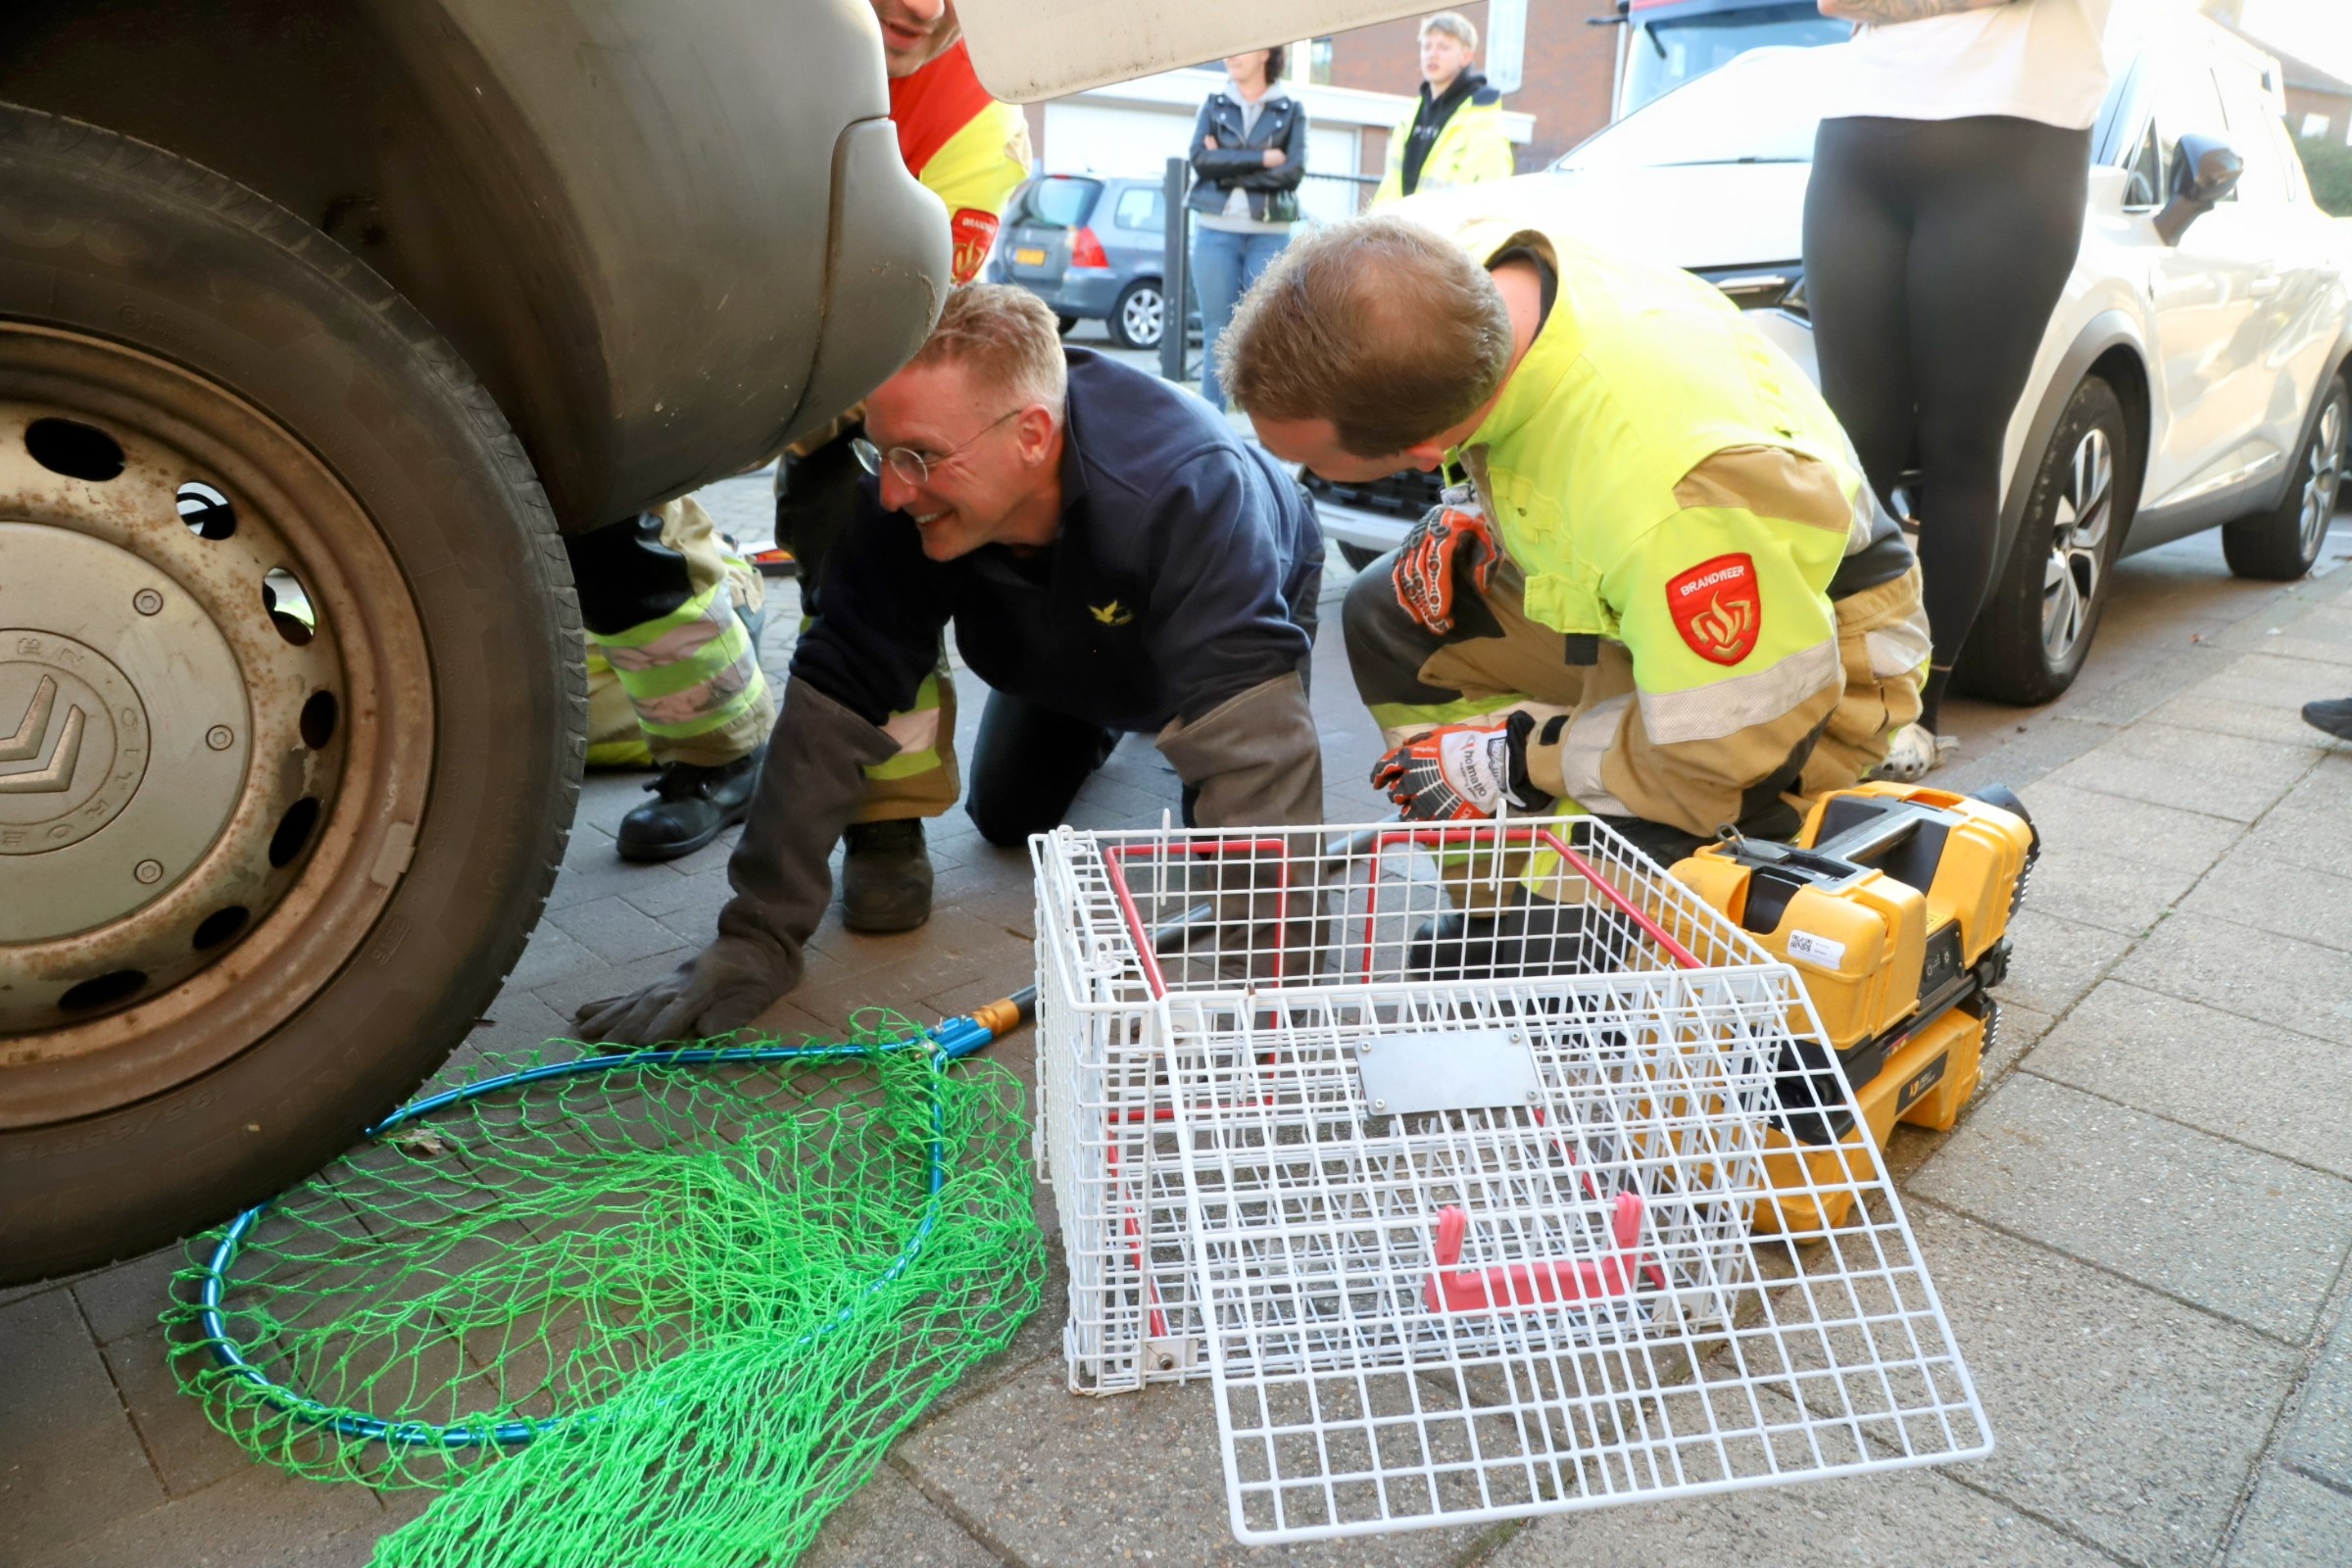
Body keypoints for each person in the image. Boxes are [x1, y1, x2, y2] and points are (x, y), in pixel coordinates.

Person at [577, 285, 1325, 1045]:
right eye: (882, 452)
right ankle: (1108, 713)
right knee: (1007, 816)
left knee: (1228, 833)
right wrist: (756, 936)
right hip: (1078, 631)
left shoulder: (1188, 492)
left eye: (920, 458)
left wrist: (1276, 1015)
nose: (892, 490)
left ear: (1031, 435)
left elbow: (1258, 760)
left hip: (1231, 611)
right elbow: (831, 702)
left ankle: (1168, 719)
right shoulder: (903, 493)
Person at [1219, 205, 1931, 943]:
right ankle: (1496, 906)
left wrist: (1521, 756)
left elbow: (1721, 758)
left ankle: (1551, 931)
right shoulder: (1471, 277)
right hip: (1655, 581)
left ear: (1424, 446)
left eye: (1308, 461)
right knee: (1388, 617)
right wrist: (1477, 503)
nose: (1292, 471)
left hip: (1796, 681)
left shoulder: (1668, 494)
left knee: (1572, 943)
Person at [569, 0, 1031, 867]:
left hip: (846, 355)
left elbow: (905, 329)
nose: (924, 7)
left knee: (865, 513)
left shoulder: (975, 119)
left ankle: (885, 806)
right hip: (678, 322)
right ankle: (716, 751)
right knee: (595, 510)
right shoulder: (732, 30)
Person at [1803, 0, 2114, 776]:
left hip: (2013, 140)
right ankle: (1823, 693)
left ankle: (1919, 713)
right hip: (1856, 135)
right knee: (1850, 449)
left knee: (1959, 447)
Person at [1188, 46, 1306, 413]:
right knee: (1217, 334)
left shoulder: (1291, 109)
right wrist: (1263, 159)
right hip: (1214, 234)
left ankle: (1268, 431)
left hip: (1270, 235)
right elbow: (1200, 161)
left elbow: (1292, 172)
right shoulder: (1214, 104)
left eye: (1241, 48)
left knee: (1266, 335)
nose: (1230, 55)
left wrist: (1225, 164)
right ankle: (1212, 426)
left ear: (1266, 52)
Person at [1367, 13, 1515, 212]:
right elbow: (1390, 189)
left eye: (1444, 47)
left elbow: (1485, 200)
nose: (1432, 54)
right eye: (1427, 46)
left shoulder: (1482, 119)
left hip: (1446, 231)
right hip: (1400, 228)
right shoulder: (1411, 115)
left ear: (1466, 56)